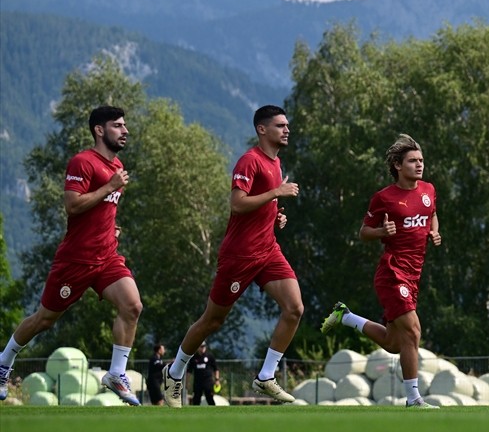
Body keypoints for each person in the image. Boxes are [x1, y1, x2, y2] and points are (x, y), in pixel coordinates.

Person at [0, 106, 143, 406]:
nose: (125, 130)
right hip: (76, 260)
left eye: (125, 125)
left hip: (107, 257)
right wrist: (110, 187)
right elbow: (73, 206)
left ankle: (116, 374)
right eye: (118, 125)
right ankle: (3, 362)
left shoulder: (116, 164)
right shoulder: (83, 162)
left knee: (132, 306)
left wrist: (112, 228)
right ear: (99, 130)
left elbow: (102, 210)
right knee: (44, 320)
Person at [163, 105, 303, 407]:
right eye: (280, 125)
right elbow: (238, 204)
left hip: (268, 251)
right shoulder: (249, 161)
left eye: (287, 125)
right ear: (262, 129)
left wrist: (275, 216)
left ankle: (266, 376)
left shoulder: (276, 163)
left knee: (294, 308)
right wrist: (276, 193)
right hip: (239, 256)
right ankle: (174, 373)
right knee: (212, 321)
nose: (287, 129)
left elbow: (260, 205)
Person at [321, 134, 441, 409]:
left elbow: (432, 212)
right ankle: (414, 399)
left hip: (413, 276)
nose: (419, 165)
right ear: (398, 165)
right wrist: (380, 231)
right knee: (412, 332)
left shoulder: (428, 190)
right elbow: (363, 233)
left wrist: (434, 232)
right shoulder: (384, 198)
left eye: (421, 160)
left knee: (393, 343)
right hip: (392, 273)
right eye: (413, 161)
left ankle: (346, 316)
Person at [187, 341, 220, 406]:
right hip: (197, 382)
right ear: (198, 348)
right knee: (196, 400)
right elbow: (189, 372)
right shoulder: (194, 358)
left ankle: (214, 413)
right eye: (201, 347)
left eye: (204, 346)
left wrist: (217, 380)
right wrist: (187, 382)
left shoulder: (209, 356)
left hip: (208, 382)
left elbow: (216, 369)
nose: (203, 348)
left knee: (210, 398)